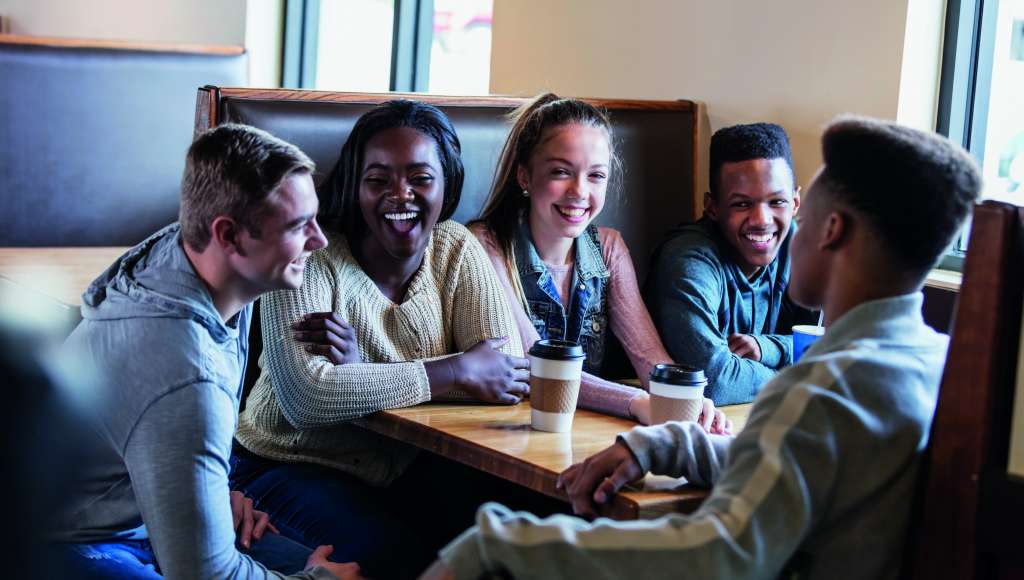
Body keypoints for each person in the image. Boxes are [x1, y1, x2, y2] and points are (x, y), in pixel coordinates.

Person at [424, 115, 982, 580]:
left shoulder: (826, 388)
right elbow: (793, 464)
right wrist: (664, 445)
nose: (783, 230)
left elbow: (716, 555)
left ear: (831, 230)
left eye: (799, 215)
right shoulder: (939, 363)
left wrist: (502, 545)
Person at [231, 100, 531, 579]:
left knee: (518, 539)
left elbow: (506, 374)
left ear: (446, 183)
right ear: (356, 186)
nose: (400, 195)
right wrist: (457, 370)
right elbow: (306, 399)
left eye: (420, 178)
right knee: (403, 564)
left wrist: (360, 372)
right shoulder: (308, 256)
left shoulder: (455, 248)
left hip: (404, 469)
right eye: (378, 180)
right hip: (283, 465)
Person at [53, 124, 362, 579]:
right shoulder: (183, 370)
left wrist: (211, 494)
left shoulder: (199, 264)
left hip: (139, 519)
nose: (319, 240)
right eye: (299, 226)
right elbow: (206, 576)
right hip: (73, 545)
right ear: (230, 237)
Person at [470, 93, 728, 431]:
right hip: (507, 434)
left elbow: (647, 355)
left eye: (596, 176)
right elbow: (538, 365)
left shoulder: (609, 248)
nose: (579, 190)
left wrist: (686, 400)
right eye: (561, 172)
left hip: (583, 433)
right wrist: (637, 404)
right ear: (525, 177)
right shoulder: (484, 246)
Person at [645, 123, 816, 405]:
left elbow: (835, 348)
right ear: (712, 207)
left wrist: (770, 347)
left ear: (796, 202)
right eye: (741, 204)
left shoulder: (799, 243)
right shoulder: (688, 259)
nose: (762, 220)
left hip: (756, 422)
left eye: (777, 201)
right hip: (670, 424)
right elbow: (714, 380)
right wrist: (799, 376)